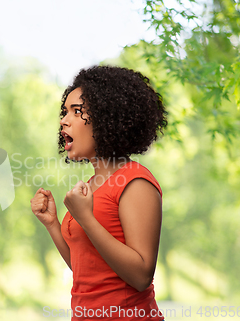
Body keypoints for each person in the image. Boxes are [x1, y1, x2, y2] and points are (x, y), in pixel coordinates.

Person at [30, 66, 167, 320]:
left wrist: (86, 218)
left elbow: (140, 276)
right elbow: (85, 267)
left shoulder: (135, 181)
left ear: (107, 117)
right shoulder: (91, 185)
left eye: (77, 111)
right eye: (65, 111)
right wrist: (52, 224)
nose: (64, 120)